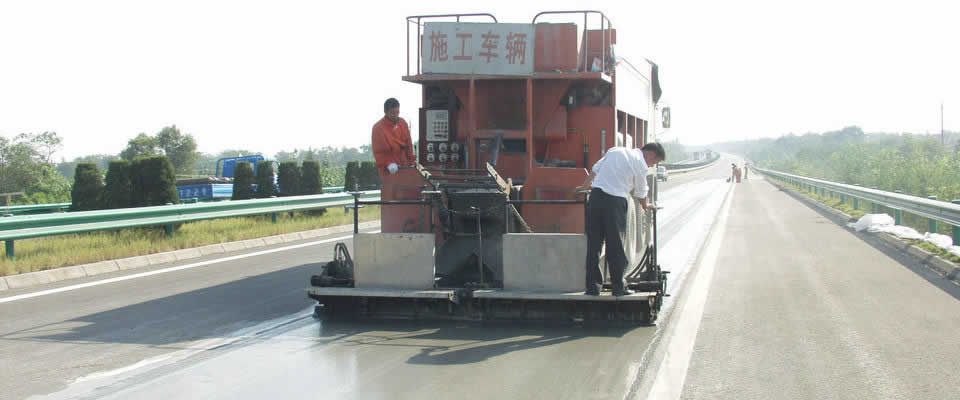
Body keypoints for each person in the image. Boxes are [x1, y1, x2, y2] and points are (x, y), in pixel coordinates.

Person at [578, 142, 666, 296]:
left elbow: (595, 169)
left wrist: (584, 186)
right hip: (615, 202)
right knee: (616, 245)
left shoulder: (615, 151)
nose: (653, 165)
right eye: (655, 161)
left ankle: (592, 288)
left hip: (596, 199)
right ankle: (618, 287)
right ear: (651, 154)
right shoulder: (640, 163)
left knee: (594, 245)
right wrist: (647, 206)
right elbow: (641, 191)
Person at [371, 98, 415, 177]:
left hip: (406, 167)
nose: (395, 115)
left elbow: (409, 145)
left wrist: (412, 162)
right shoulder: (378, 128)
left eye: (397, 112)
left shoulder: (403, 122)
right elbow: (379, 152)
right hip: (389, 171)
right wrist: (388, 164)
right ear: (385, 112)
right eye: (392, 113)